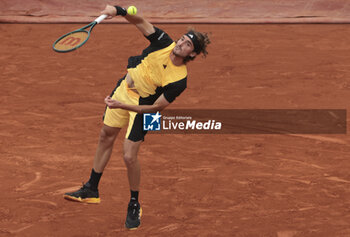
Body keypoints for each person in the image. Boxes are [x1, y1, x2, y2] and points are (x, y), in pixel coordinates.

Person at [63, 4, 210, 230]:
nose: (180, 44)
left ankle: (134, 203)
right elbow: (140, 21)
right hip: (125, 89)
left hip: (146, 108)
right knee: (106, 136)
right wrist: (119, 10)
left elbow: (154, 108)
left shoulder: (179, 80)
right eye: (182, 39)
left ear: (192, 54)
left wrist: (121, 105)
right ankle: (91, 189)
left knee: (129, 156)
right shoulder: (163, 42)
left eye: (187, 44)